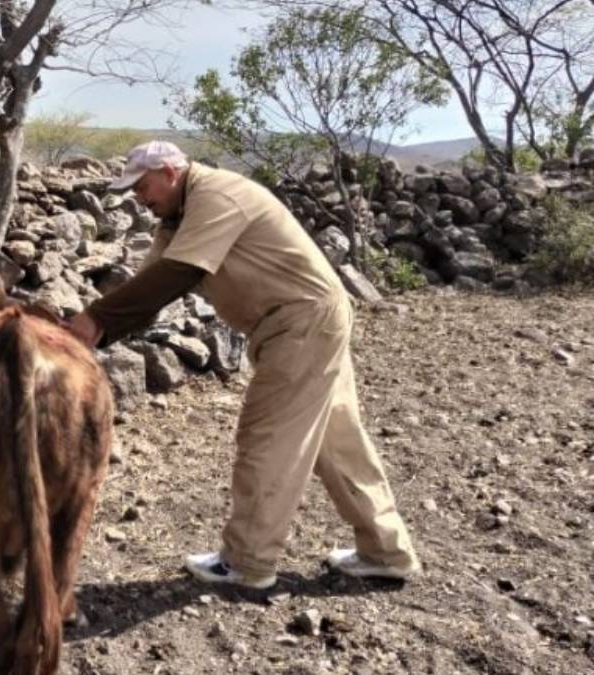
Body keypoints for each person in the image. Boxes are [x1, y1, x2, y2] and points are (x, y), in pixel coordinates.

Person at [67, 140, 420, 590]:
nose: (140, 197)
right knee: (337, 440)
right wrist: (94, 332)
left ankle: (247, 562)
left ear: (171, 173)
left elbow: (176, 275)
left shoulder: (216, 194)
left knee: (267, 437)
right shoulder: (177, 219)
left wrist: (94, 322)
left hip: (300, 323)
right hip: (305, 321)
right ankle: (385, 551)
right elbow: (149, 289)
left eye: (143, 186)